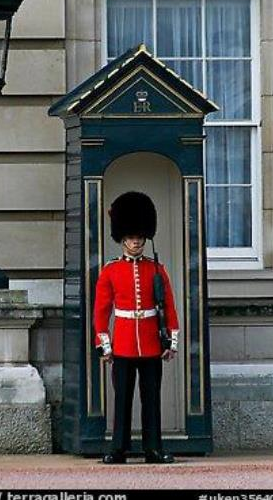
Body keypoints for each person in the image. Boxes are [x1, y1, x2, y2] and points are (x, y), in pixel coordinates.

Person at [93, 191, 179, 464]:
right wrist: (104, 344)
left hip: (152, 341)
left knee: (151, 399)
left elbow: (169, 307)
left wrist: (171, 341)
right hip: (124, 343)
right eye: (131, 238)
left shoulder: (157, 269)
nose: (136, 242)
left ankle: (153, 449)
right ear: (122, 239)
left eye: (140, 237)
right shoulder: (110, 271)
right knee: (123, 400)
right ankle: (119, 448)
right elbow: (101, 312)